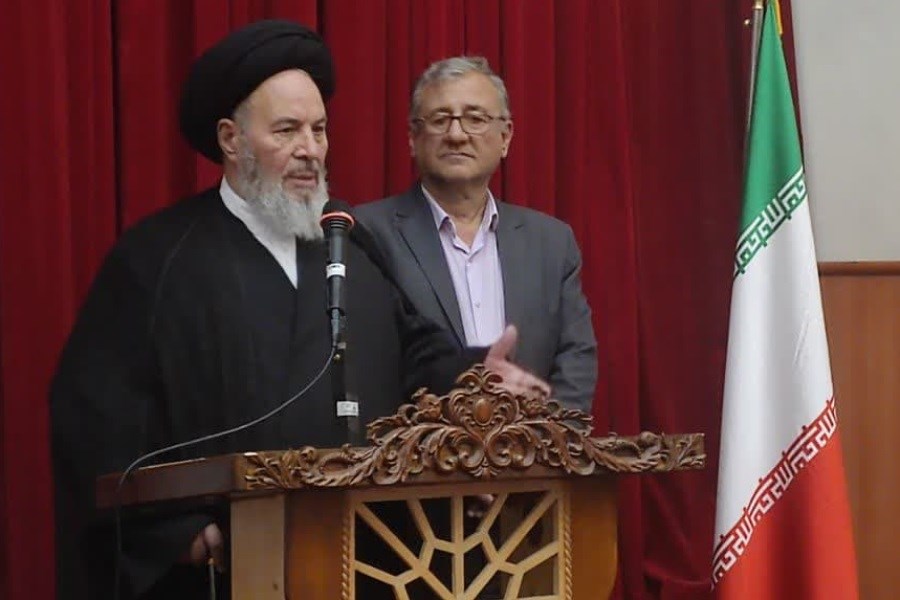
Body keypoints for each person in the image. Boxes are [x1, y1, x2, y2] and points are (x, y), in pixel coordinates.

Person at [50, 22, 547, 600]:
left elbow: (415, 355)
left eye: (319, 129)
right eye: (287, 130)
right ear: (231, 139)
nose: (310, 149)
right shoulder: (159, 258)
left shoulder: (348, 243)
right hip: (226, 570)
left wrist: (473, 374)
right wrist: (173, 534)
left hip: (371, 561)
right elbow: (95, 417)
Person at [355, 56, 598, 413]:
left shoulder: (552, 242)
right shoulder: (367, 234)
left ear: (505, 137)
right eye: (440, 119)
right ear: (412, 138)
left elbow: (576, 359)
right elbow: (368, 364)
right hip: (414, 445)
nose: (457, 135)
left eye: (475, 119)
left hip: (534, 445)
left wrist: (546, 439)